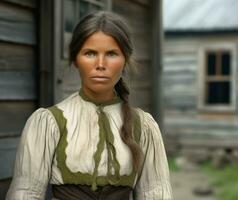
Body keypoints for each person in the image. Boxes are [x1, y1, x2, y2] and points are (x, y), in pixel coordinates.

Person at [6, 11, 173, 200]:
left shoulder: (143, 126)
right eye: (90, 53)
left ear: (125, 60)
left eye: (111, 54)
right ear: (75, 60)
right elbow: (25, 194)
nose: (100, 64)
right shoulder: (49, 123)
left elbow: (156, 194)